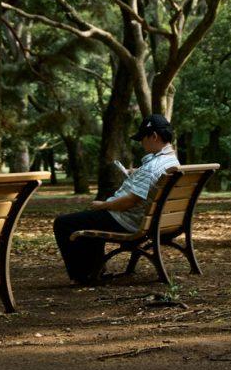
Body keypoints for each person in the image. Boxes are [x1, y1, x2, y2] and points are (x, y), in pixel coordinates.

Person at [53, 113, 178, 284]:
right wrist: (137, 174)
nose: (141, 142)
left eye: (142, 138)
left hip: (128, 220)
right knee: (89, 219)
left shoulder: (152, 167)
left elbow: (130, 201)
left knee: (63, 223)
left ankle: (83, 275)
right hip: (151, 220)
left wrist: (105, 205)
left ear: (154, 136)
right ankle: (94, 270)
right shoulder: (171, 161)